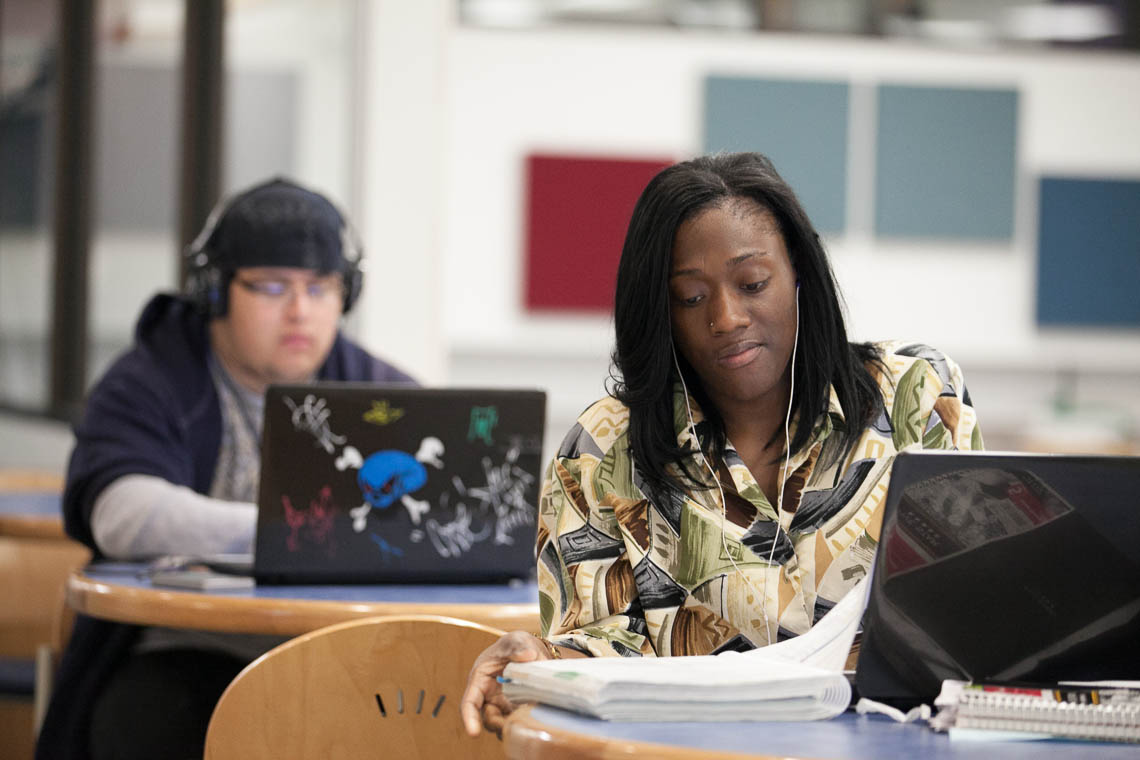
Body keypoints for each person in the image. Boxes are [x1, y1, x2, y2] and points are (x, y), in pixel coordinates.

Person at [461, 152, 982, 737]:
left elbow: (975, 606)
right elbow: (601, 646)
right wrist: (546, 661)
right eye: (690, 297)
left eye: (753, 283)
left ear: (799, 274)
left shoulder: (917, 394)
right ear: (660, 311)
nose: (727, 317)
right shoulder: (602, 450)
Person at [36, 178, 414, 760]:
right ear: (213, 291)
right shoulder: (149, 381)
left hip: (342, 655)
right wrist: (298, 531)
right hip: (180, 657)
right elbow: (121, 513)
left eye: (321, 288)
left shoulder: (383, 393)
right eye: (270, 286)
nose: (300, 311)